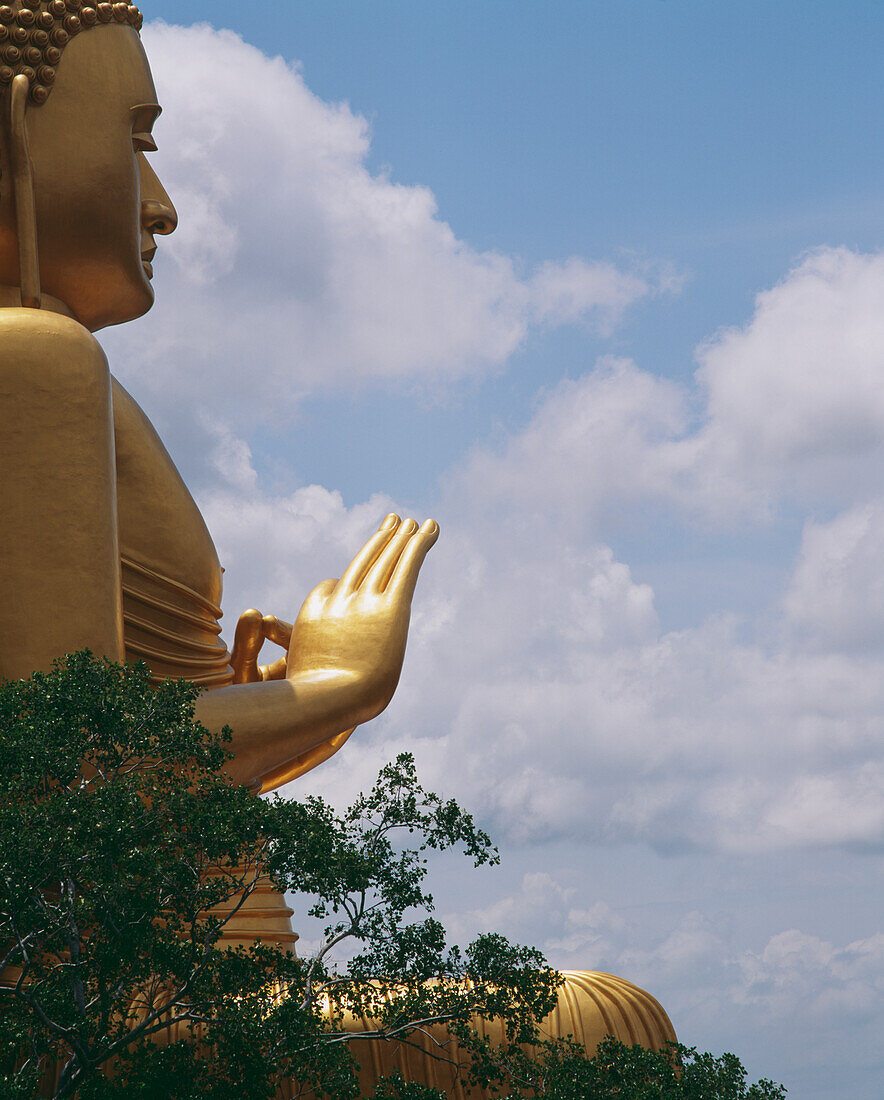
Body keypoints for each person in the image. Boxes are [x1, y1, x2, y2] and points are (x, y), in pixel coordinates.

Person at [0, 1, 439, 798]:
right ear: (17, 122)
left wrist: (266, 698)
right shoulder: (33, 359)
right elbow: (73, 777)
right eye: (137, 145)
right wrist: (340, 685)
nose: (161, 206)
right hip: (154, 919)